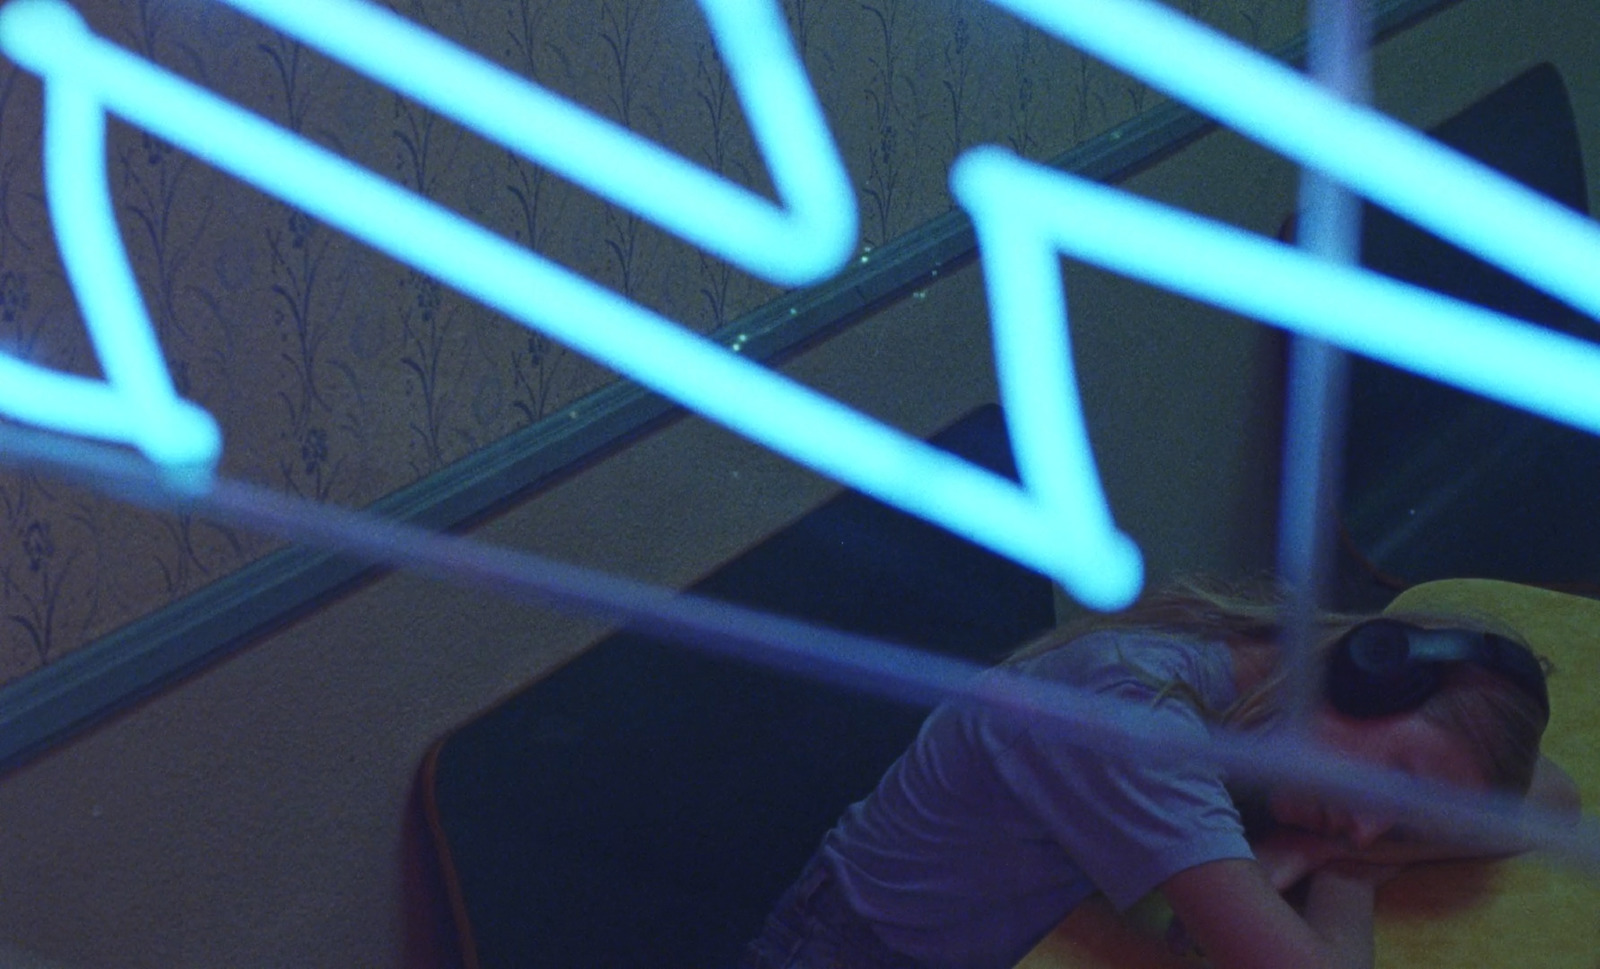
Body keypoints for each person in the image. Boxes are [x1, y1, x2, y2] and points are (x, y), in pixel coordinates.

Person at [738, 575, 1583, 969]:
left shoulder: (1270, 690)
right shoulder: (1135, 715)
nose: (1369, 823)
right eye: (1390, 789)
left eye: (1400, 819)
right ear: (1365, 670)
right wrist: (1354, 871)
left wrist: (1334, 846)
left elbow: (1550, 798)